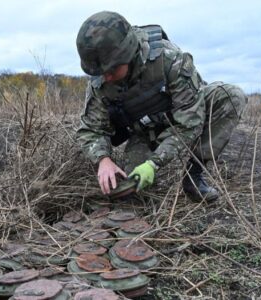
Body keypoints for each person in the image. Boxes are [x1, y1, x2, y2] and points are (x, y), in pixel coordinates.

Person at [75, 11, 248, 202]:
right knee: (133, 190)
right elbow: (91, 129)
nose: (106, 77)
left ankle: (194, 175)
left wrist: (155, 162)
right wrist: (103, 160)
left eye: (111, 70)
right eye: (100, 72)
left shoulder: (170, 59)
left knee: (231, 97)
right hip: (145, 132)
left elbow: (190, 121)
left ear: (128, 53)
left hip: (182, 117)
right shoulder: (101, 83)